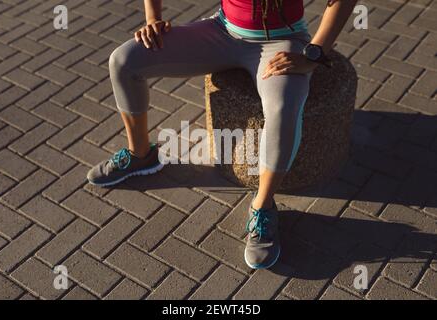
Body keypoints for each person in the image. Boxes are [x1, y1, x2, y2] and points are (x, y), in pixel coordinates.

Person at [87, 0, 358, 269]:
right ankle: (140, 155)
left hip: (281, 40)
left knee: (284, 105)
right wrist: (152, 18)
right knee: (124, 61)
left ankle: (262, 207)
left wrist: (314, 53)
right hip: (222, 31)